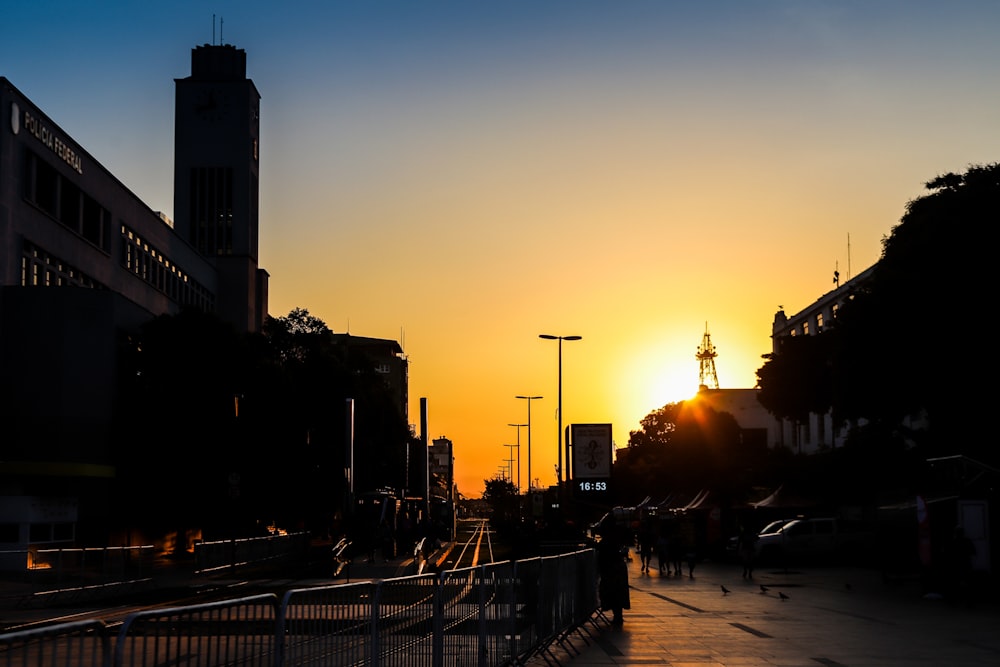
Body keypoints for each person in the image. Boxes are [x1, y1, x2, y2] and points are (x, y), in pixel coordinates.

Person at [595, 513, 631, 625]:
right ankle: (618, 616)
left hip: (612, 568)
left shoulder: (609, 540)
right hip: (616, 567)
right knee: (617, 592)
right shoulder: (615, 536)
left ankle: (617, 616)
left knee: (613, 591)